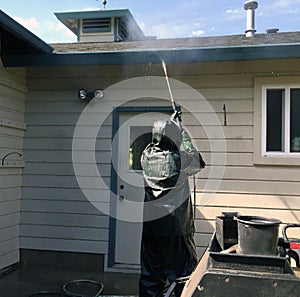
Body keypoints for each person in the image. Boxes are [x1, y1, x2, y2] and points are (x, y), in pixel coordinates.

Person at [139, 113, 206, 297]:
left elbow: (155, 143)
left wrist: (167, 126)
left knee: (150, 276)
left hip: (151, 227)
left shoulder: (146, 156)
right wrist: (183, 133)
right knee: (182, 276)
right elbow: (198, 160)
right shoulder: (179, 159)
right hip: (176, 229)